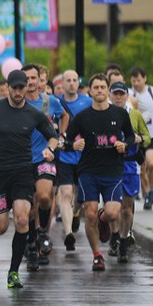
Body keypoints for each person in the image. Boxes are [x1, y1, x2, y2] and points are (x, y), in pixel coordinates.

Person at [0, 70, 58, 289]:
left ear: (27, 87)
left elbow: (53, 136)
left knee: (23, 220)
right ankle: (6, 212)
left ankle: (13, 272)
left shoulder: (33, 113)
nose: (17, 92)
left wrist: (50, 149)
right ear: (7, 87)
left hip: (22, 173)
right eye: (14, 88)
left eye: (21, 88)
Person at [65, 74, 135, 271]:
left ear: (108, 90)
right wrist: (74, 145)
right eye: (95, 88)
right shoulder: (82, 117)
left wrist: (125, 145)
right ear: (90, 91)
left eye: (103, 87)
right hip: (89, 171)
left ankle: (104, 217)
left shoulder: (120, 114)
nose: (99, 91)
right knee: (90, 214)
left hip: (113, 170)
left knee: (113, 214)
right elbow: (67, 141)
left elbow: (131, 136)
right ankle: (97, 255)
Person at [21, 64, 67, 270]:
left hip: (44, 157)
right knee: (29, 208)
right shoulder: (16, 103)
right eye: (26, 78)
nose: (30, 82)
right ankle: (31, 246)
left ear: (40, 80)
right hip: (21, 160)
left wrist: (61, 135)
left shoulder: (50, 102)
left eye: (34, 78)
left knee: (46, 196)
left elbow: (64, 115)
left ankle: (42, 234)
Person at [107, 81, 150, 263]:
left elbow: (148, 138)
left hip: (130, 165)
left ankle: (123, 241)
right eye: (115, 94)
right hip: (110, 166)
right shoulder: (105, 114)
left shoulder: (135, 115)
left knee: (126, 208)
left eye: (121, 94)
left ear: (126, 95)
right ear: (110, 95)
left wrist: (139, 138)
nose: (118, 97)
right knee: (112, 209)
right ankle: (115, 235)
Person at [56, 69, 92, 251]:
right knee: (66, 192)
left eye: (74, 80)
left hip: (85, 156)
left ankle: (77, 212)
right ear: (62, 83)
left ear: (79, 83)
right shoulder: (56, 103)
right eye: (68, 80)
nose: (71, 83)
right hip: (64, 155)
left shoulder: (89, 102)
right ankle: (69, 233)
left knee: (80, 197)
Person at [130, 67, 153, 209]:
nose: (136, 83)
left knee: (151, 163)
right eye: (133, 80)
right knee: (142, 169)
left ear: (145, 79)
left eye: (138, 80)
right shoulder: (130, 94)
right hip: (139, 137)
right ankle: (147, 195)